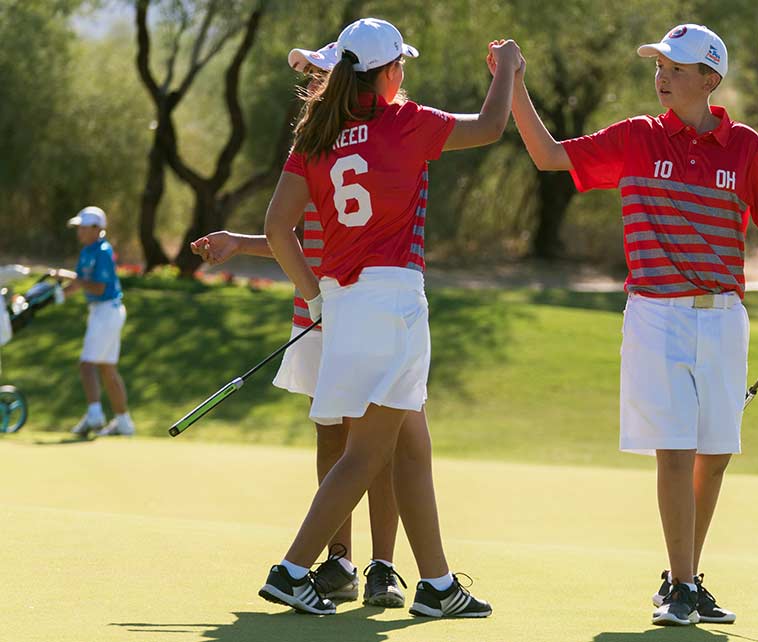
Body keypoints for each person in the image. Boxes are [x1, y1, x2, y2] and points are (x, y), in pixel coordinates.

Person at [509, 24, 758, 626]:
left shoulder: (745, 146)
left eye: (675, 66)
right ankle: (681, 584)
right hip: (656, 314)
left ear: (709, 78)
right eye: (659, 66)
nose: (661, 75)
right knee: (675, 450)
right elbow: (548, 155)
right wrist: (512, 83)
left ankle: (686, 579)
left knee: (715, 453)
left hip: (723, 318)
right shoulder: (636, 138)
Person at [257, 18, 521, 617]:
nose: (405, 73)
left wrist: (316, 295)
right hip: (394, 301)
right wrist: (506, 69)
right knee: (366, 453)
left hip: (344, 305)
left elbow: (278, 229)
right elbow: (491, 126)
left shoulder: (316, 138)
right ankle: (292, 570)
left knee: (410, 447)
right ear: (385, 74)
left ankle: (436, 584)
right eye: (400, 64)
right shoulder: (405, 121)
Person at [191, 41, 405, 608]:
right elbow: (291, 237)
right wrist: (239, 243)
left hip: (352, 305)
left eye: (318, 71)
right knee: (332, 435)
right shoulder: (311, 142)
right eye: (308, 72)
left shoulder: (372, 137)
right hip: (316, 312)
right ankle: (340, 561)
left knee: (376, 439)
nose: (309, 80)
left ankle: (384, 566)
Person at [65, 207, 136, 437]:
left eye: (84, 228)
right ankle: (124, 422)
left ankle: (95, 415)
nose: (80, 232)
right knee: (107, 368)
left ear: (97, 229)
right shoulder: (87, 251)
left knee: (87, 365)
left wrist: (72, 280)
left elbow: (98, 287)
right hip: (101, 311)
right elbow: (78, 284)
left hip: (108, 310)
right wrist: (54, 295)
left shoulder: (103, 251)